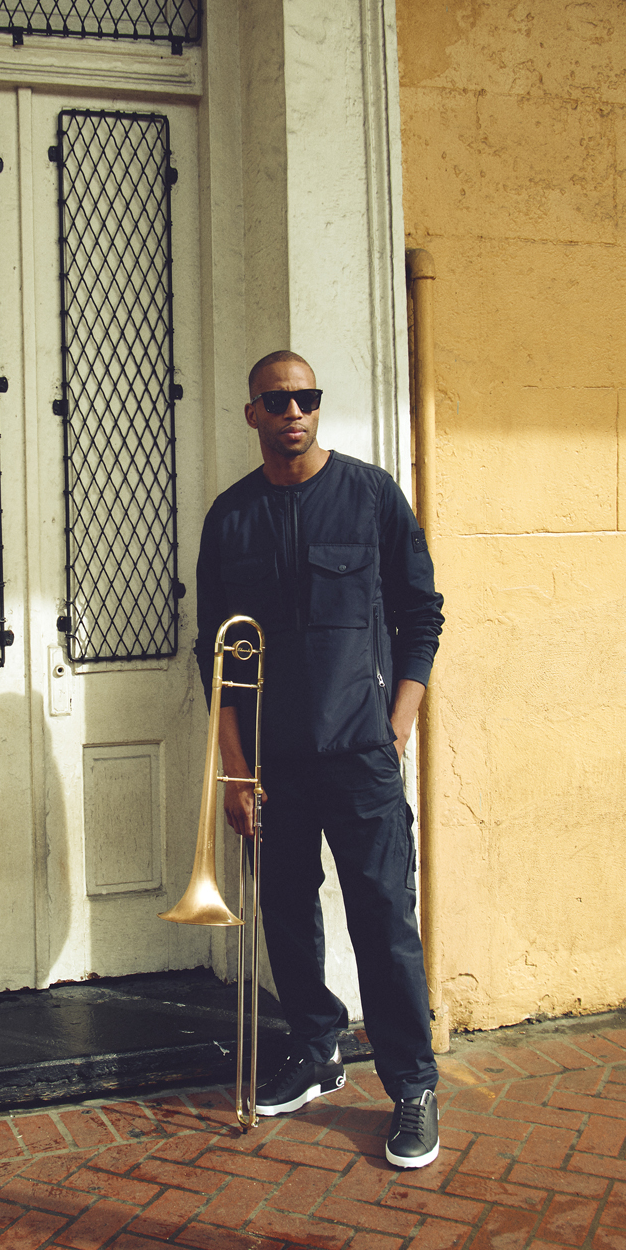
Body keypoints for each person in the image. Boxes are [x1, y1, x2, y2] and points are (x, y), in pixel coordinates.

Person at [193, 349, 445, 1169]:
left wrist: (398, 724)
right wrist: (235, 767)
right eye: (278, 399)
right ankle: (315, 1048)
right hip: (272, 763)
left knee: (384, 918)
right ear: (254, 413)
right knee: (286, 912)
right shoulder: (230, 517)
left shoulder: (371, 495)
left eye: (306, 397)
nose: (294, 410)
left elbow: (421, 614)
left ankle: (411, 1086)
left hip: (362, 754)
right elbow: (216, 655)